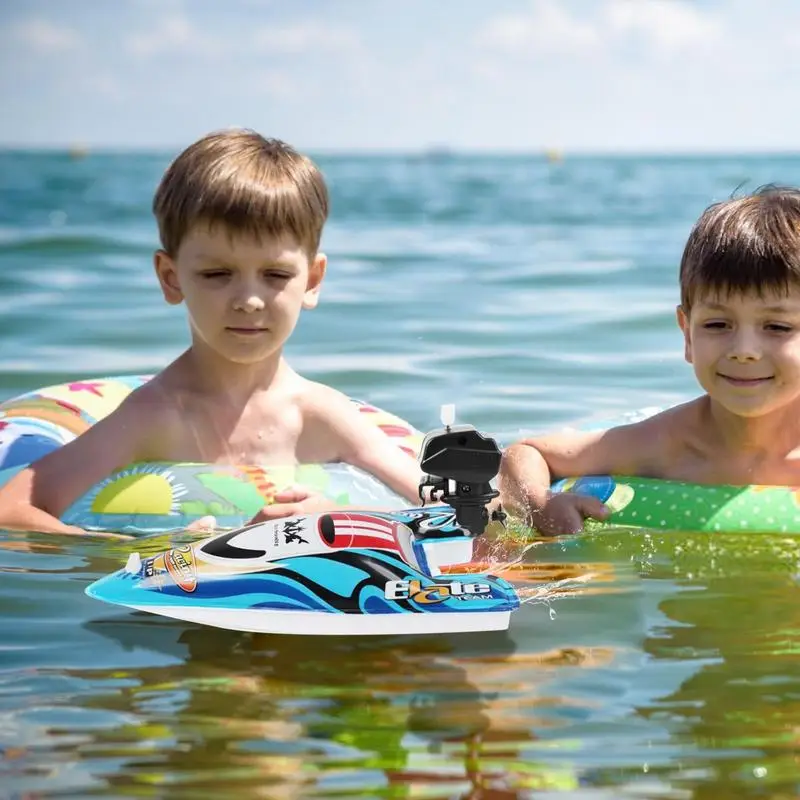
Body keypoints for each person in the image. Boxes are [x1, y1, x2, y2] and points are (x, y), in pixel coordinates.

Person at [0, 129, 422, 535]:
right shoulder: (153, 417)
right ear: (171, 277)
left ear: (311, 281)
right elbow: (12, 510)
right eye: (217, 273)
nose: (248, 300)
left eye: (275, 274)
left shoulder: (321, 415)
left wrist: (347, 521)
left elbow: (457, 510)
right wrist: (159, 549)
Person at [498, 185, 800, 535]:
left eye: (777, 326)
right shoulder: (666, 444)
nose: (744, 349)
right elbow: (525, 452)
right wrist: (540, 505)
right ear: (687, 335)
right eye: (717, 324)